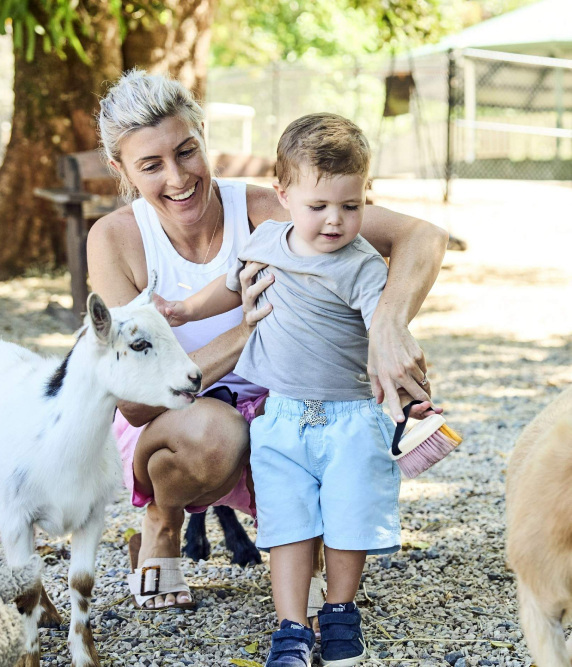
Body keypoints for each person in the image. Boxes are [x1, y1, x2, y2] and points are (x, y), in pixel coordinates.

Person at [87, 70, 449, 612]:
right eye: (151, 165)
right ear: (121, 169)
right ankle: (161, 520)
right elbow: (137, 404)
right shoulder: (114, 239)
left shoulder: (269, 208)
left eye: (187, 151)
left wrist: (388, 330)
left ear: (204, 135)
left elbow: (423, 235)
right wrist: (243, 334)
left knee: (335, 457)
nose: (179, 177)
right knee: (217, 432)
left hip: (286, 403)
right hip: (179, 424)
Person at [154, 113, 435, 667]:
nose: (335, 221)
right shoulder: (264, 243)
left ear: (364, 198)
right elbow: (228, 286)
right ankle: (290, 626)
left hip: (351, 415)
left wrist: (407, 387)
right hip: (281, 416)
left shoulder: (363, 268)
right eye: (319, 207)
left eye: (351, 207)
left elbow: (388, 334)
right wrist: (186, 308)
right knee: (287, 521)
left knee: (348, 517)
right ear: (282, 196)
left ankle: (339, 613)